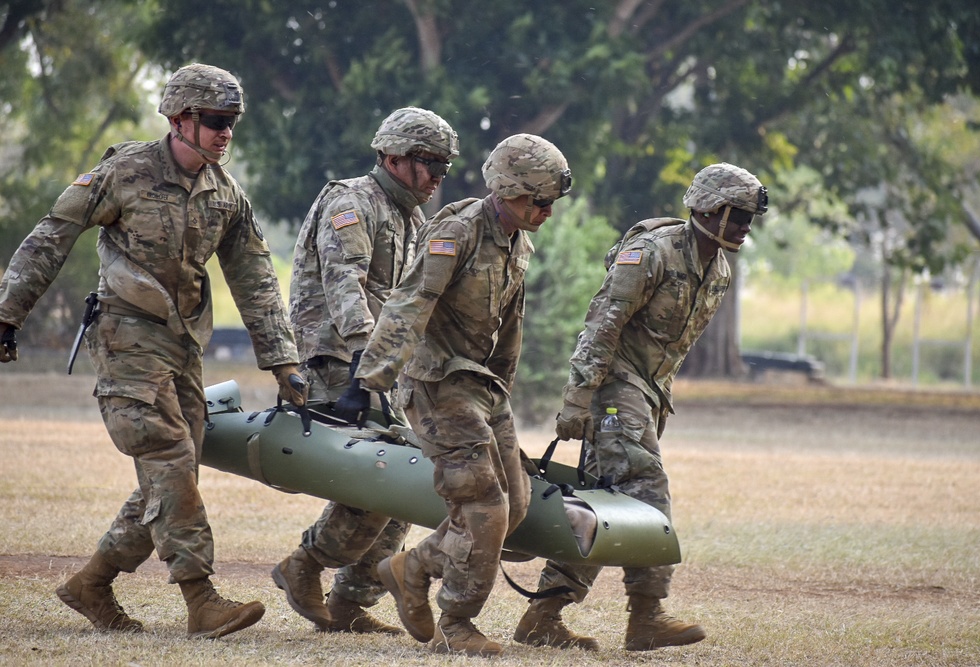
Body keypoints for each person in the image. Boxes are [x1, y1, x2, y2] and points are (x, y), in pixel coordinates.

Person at [0, 63, 306, 640]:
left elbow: (256, 278)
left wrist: (282, 362)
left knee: (173, 474)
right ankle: (200, 598)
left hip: (182, 345)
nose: (225, 133)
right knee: (166, 454)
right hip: (124, 337)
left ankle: (91, 582)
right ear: (179, 119)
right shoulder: (125, 172)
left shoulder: (225, 194)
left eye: (231, 122)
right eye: (215, 121)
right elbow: (52, 235)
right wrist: (6, 313)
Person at [512, 162, 768, 652]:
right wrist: (577, 399)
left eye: (748, 217)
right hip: (614, 389)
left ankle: (542, 616)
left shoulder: (718, 269)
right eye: (737, 214)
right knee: (647, 490)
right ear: (708, 210)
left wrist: (656, 405)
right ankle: (646, 616)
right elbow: (601, 327)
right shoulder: (650, 254)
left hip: (648, 394)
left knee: (602, 502)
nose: (744, 226)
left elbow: (672, 348)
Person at [352, 134, 572, 657]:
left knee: (516, 507)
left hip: (480, 387)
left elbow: (510, 324)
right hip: (436, 383)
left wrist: (502, 389)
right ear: (506, 189)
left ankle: (413, 566)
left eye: (550, 203)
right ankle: (456, 622)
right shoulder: (458, 232)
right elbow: (409, 304)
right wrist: (371, 382)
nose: (545, 211)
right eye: (536, 200)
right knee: (484, 509)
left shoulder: (518, 239)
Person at [272, 107, 459, 634]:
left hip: (379, 367)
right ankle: (303, 566)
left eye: (445, 167)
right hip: (339, 357)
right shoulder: (352, 200)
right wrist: (361, 364)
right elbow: (344, 282)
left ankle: (351, 602)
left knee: (400, 489)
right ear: (393, 157)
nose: (438, 178)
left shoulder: (411, 216)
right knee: (375, 479)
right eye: (430, 165)